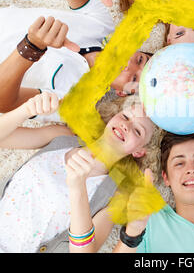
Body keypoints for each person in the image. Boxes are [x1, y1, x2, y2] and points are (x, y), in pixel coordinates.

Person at [0, 0, 152, 119]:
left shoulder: (74, 102)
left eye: (136, 78)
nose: (130, 66)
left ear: (122, 93)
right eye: (140, 60)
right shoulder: (100, 25)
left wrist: (31, 47)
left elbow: (5, 103)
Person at [0, 92, 156, 252]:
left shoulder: (115, 194)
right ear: (113, 116)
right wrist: (26, 110)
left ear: (139, 151)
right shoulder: (63, 136)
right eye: (125, 116)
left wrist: (77, 187)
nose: (126, 126)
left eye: (137, 131)